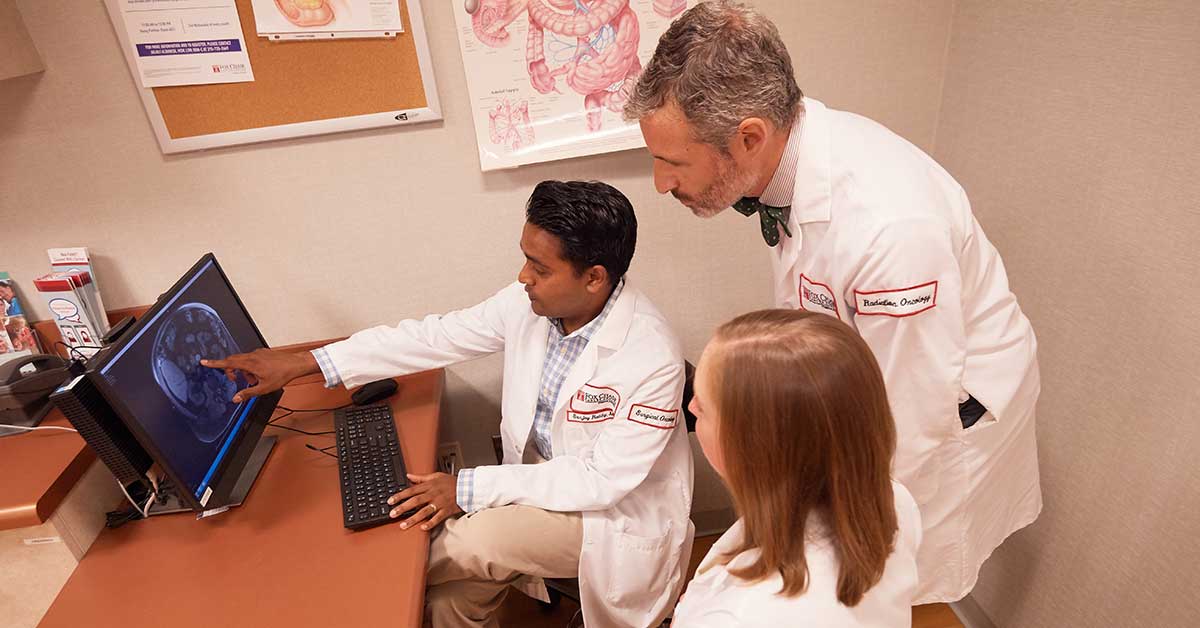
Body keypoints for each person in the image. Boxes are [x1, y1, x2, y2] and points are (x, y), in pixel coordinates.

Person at [624, 1, 1041, 603]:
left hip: (946, 409)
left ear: (748, 137)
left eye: (672, 162)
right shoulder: (786, 164)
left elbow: (909, 418)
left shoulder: (888, 227)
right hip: (881, 385)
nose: (661, 184)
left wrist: (834, 544)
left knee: (896, 583)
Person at [204, 180, 694, 628]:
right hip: (539, 487)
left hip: (609, 514)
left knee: (464, 544)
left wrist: (465, 489)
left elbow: (599, 481)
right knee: (448, 604)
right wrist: (306, 362)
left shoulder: (650, 355)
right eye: (525, 258)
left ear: (594, 278)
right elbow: (434, 336)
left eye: (540, 268)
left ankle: (314, 596)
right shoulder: (532, 304)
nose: (523, 276)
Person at [675, 309, 921, 627]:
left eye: (703, 407)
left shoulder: (743, 616)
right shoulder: (893, 500)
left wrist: (700, 612)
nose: (691, 407)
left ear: (753, 447)